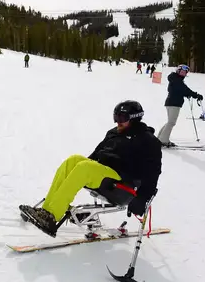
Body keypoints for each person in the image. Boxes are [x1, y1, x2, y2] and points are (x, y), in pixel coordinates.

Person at [19, 101, 162, 237]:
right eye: (116, 116)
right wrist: (78, 170)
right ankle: (47, 211)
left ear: (134, 119)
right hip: (104, 175)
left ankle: (52, 216)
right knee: (73, 160)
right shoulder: (114, 132)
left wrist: (142, 199)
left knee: (84, 167)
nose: (117, 121)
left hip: (123, 185)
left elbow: (153, 172)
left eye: (122, 117)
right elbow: (96, 154)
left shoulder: (147, 140)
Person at [157, 65, 203, 147]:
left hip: (172, 103)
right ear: (178, 71)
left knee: (170, 122)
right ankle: (163, 140)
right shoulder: (176, 80)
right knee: (171, 122)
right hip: (173, 103)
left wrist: (187, 94)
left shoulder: (175, 79)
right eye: (182, 71)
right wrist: (195, 95)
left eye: (185, 72)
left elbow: (180, 90)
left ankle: (160, 138)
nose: (184, 73)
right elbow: (183, 89)